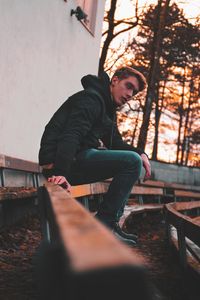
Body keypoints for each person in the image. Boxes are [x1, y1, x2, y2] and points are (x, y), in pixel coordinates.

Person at [39, 66, 151, 246]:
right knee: (131, 162)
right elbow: (72, 134)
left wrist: (142, 153)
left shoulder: (107, 108)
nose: (130, 94)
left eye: (134, 92)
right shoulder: (92, 99)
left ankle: (110, 223)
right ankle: (105, 225)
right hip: (58, 161)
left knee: (132, 160)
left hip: (73, 159)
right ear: (114, 80)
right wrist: (61, 172)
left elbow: (116, 143)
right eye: (128, 86)